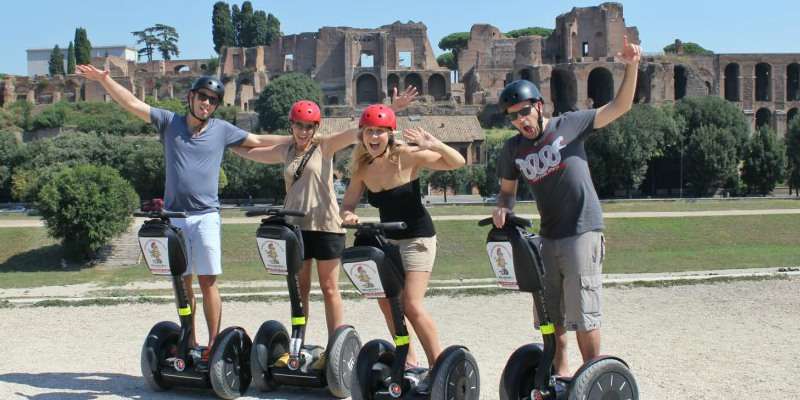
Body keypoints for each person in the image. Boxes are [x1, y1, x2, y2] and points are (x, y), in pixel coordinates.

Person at [76, 64, 286, 358]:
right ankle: (189, 339)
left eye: (213, 100)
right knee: (182, 282)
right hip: (175, 218)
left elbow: (259, 141)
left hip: (206, 217)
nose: (206, 103)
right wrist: (105, 81)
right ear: (191, 97)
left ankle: (215, 345)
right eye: (202, 97)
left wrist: (300, 140)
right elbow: (132, 103)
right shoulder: (168, 122)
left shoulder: (222, 130)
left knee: (208, 281)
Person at [491, 35, 641, 377]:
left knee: (584, 312)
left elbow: (619, 108)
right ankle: (560, 378)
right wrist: (503, 208)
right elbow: (506, 193)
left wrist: (631, 67)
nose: (520, 121)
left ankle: (590, 378)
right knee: (550, 315)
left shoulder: (569, 124)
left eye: (525, 112)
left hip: (582, 230)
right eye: (513, 117)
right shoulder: (513, 149)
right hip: (548, 235)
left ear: (539, 106)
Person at [233, 88, 417, 340]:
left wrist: (391, 109)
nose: (304, 131)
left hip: (327, 227)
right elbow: (250, 151)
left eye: (309, 127)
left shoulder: (325, 146)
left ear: (316, 127)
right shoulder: (284, 151)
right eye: (299, 126)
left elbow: (359, 131)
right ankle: (299, 341)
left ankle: (335, 343)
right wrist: (223, 141)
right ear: (292, 126)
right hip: (296, 228)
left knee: (330, 289)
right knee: (301, 290)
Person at [340, 104, 465, 391]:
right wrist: (348, 216)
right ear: (362, 135)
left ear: (389, 134)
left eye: (379, 133)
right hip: (388, 240)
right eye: (369, 132)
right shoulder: (362, 169)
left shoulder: (406, 156)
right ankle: (409, 360)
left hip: (418, 238)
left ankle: (440, 368)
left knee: (410, 303)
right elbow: (347, 204)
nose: (374, 137)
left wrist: (435, 144)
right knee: (387, 303)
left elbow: (457, 162)